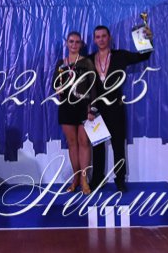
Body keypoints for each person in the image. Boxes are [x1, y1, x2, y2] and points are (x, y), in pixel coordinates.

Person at [87, 24, 152, 192]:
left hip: (116, 107)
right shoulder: (88, 60)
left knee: (118, 145)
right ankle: (97, 179)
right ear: (94, 40)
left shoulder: (120, 56)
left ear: (109, 38)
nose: (101, 39)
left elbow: (143, 56)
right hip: (96, 109)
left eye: (104, 36)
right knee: (97, 146)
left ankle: (120, 179)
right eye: (98, 37)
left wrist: (144, 38)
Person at [53, 31, 98, 194]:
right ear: (67, 43)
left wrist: (92, 108)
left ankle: (84, 179)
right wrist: (57, 88)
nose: (74, 45)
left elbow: (93, 87)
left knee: (84, 142)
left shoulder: (87, 62)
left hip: (84, 108)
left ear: (81, 45)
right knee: (72, 143)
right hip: (66, 107)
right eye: (71, 41)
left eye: (77, 42)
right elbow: (54, 83)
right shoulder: (61, 63)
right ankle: (76, 178)